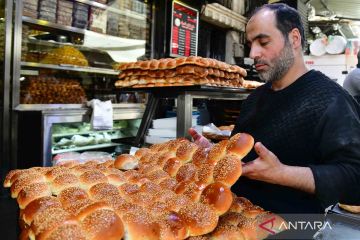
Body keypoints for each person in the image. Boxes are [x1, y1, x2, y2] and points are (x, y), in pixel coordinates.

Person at [190, 3, 360, 214]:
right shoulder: (255, 98)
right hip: (236, 219)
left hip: (292, 228)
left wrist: (282, 173)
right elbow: (240, 158)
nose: (253, 53)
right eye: (251, 44)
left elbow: (355, 178)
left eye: (263, 42)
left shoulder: (331, 100)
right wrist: (217, 153)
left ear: (294, 39)